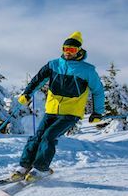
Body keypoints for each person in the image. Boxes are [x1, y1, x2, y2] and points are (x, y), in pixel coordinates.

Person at [11, 31, 105, 182]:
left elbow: (98, 91)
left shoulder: (87, 70)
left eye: (72, 49)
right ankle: (24, 166)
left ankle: (41, 169)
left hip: (71, 113)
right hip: (51, 110)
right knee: (37, 137)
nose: (68, 52)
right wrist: (27, 94)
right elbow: (37, 80)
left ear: (79, 50)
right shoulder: (54, 65)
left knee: (49, 136)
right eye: (65, 49)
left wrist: (97, 112)